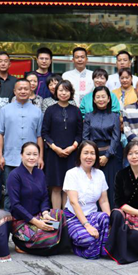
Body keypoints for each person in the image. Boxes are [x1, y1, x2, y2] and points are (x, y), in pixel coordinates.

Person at [8, 142, 71, 255]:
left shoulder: (40, 173)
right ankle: (21, 243)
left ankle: (52, 241)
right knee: (41, 234)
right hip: (22, 221)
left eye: (35, 154)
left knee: (59, 215)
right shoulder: (14, 175)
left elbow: (44, 197)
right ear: (21, 155)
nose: (32, 157)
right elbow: (15, 205)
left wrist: (45, 213)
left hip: (40, 216)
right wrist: (36, 222)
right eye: (28, 154)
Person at [0, 79, 44, 211]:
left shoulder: (37, 112)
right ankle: (8, 220)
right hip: (9, 158)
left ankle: (28, 220)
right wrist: (0, 156)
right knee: (9, 191)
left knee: (31, 191)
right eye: (19, 89)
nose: (23, 91)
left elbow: (39, 136)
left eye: (26, 89)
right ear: (14, 91)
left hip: (31, 159)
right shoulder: (5, 110)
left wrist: (40, 157)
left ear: (30, 90)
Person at [63, 141, 112, 259]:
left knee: (105, 217)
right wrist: (87, 226)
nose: (89, 156)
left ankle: (98, 244)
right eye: (86, 153)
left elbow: (104, 201)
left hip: (92, 216)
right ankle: (74, 245)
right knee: (88, 240)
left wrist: (110, 224)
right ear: (79, 155)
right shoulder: (71, 173)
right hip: (74, 217)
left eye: (92, 153)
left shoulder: (100, 174)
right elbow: (74, 202)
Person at [42, 80, 83, 209]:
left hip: (72, 153)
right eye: (60, 90)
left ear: (71, 92)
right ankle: (56, 216)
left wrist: (73, 147)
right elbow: (45, 132)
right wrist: (55, 148)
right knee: (55, 187)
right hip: (54, 153)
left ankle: (67, 216)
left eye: (66, 90)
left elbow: (80, 133)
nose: (63, 93)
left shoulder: (76, 110)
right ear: (56, 92)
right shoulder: (50, 110)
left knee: (68, 187)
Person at [83, 86, 122, 206]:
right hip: (92, 156)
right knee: (92, 185)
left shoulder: (115, 116)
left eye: (103, 97)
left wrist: (107, 156)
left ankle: (110, 213)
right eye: (98, 97)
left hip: (111, 155)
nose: (101, 99)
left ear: (109, 99)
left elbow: (116, 138)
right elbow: (85, 137)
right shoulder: (88, 116)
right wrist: (92, 155)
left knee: (110, 185)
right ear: (94, 100)